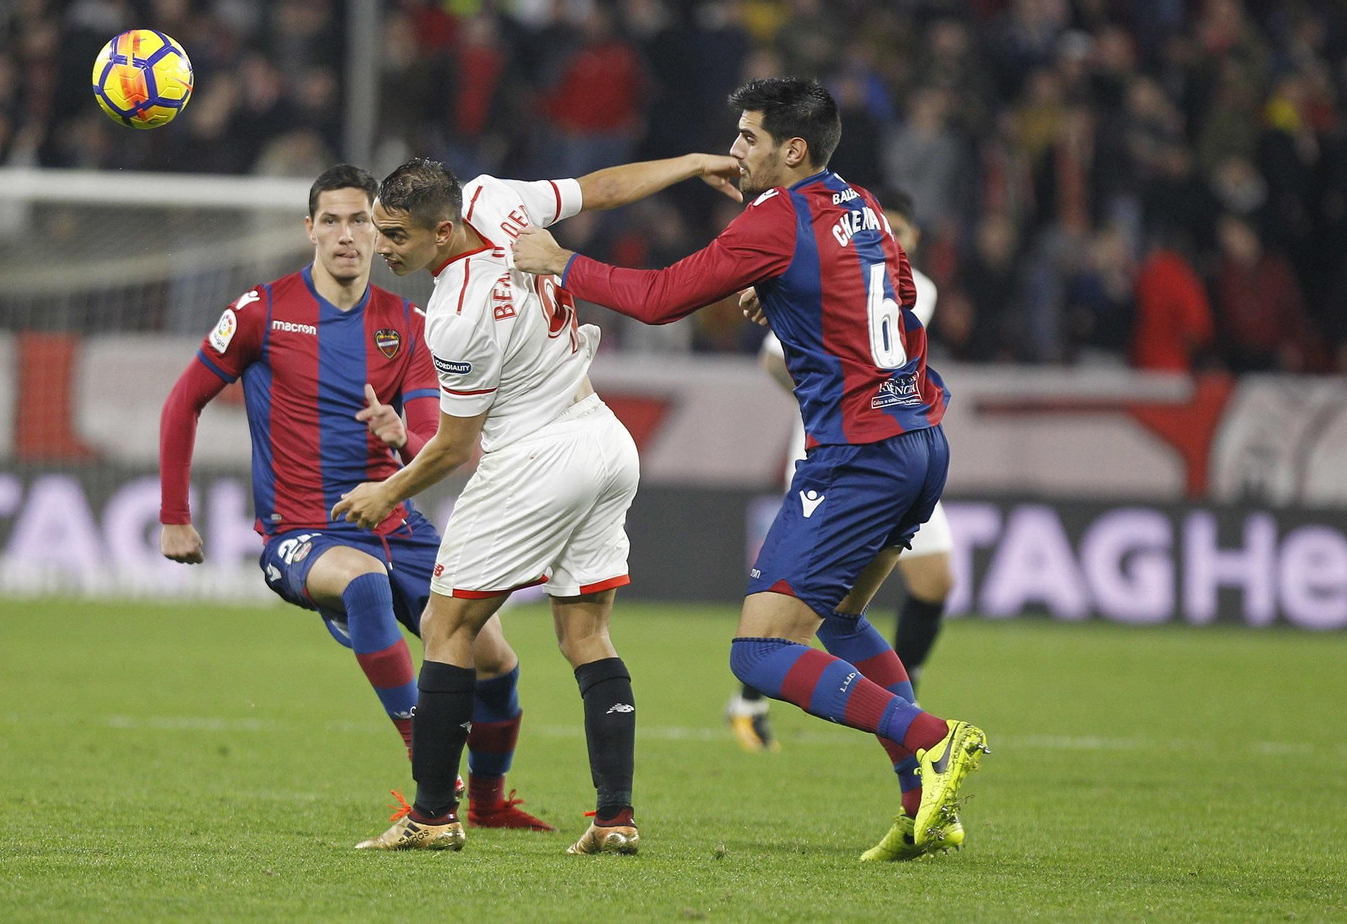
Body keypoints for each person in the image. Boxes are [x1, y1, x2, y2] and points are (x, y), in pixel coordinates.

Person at [514, 76, 989, 861]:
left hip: (856, 455)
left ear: (791, 149)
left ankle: (932, 739)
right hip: (918, 440)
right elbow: (900, 295)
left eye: (747, 138)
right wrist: (793, 295)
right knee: (836, 620)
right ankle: (923, 806)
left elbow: (662, 297)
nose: (734, 152)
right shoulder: (861, 204)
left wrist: (562, 261)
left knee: (759, 653)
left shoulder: (777, 220)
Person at [333, 152, 742, 854]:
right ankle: (615, 818)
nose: (381, 248)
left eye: (395, 236)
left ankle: (431, 817)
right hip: (604, 442)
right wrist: (691, 163)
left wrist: (387, 491)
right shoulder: (497, 196)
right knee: (585, 634)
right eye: (378, 229)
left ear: (441, 230)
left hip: (536, 458)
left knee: (445, 625)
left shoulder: (455, 316)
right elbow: (599, 189)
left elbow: (456, 447)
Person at [157, 164, 551, 833]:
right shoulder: (262, 311)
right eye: (332, 221)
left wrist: (403, 438)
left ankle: (487, 802)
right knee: (365, 584)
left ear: (381, 231)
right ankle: (428, 757)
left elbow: (435, 436)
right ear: (309, 229)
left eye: (360, 220)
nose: (347, 235)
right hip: (303, 532)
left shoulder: (413, 324)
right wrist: (173, 516)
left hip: (397, 522)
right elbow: (182, 401)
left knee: (496, 660)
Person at [728, 188, 956, 753]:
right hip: (859, 451)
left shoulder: (902, 284)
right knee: (818, 612)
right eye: (888, 229)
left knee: (922, 585)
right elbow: (777, 359)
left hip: (879, 450)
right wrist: (825, 400)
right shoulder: (841, 272)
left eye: (902, 233)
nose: (893, 240)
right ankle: (752, 701)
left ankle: (913, 719)